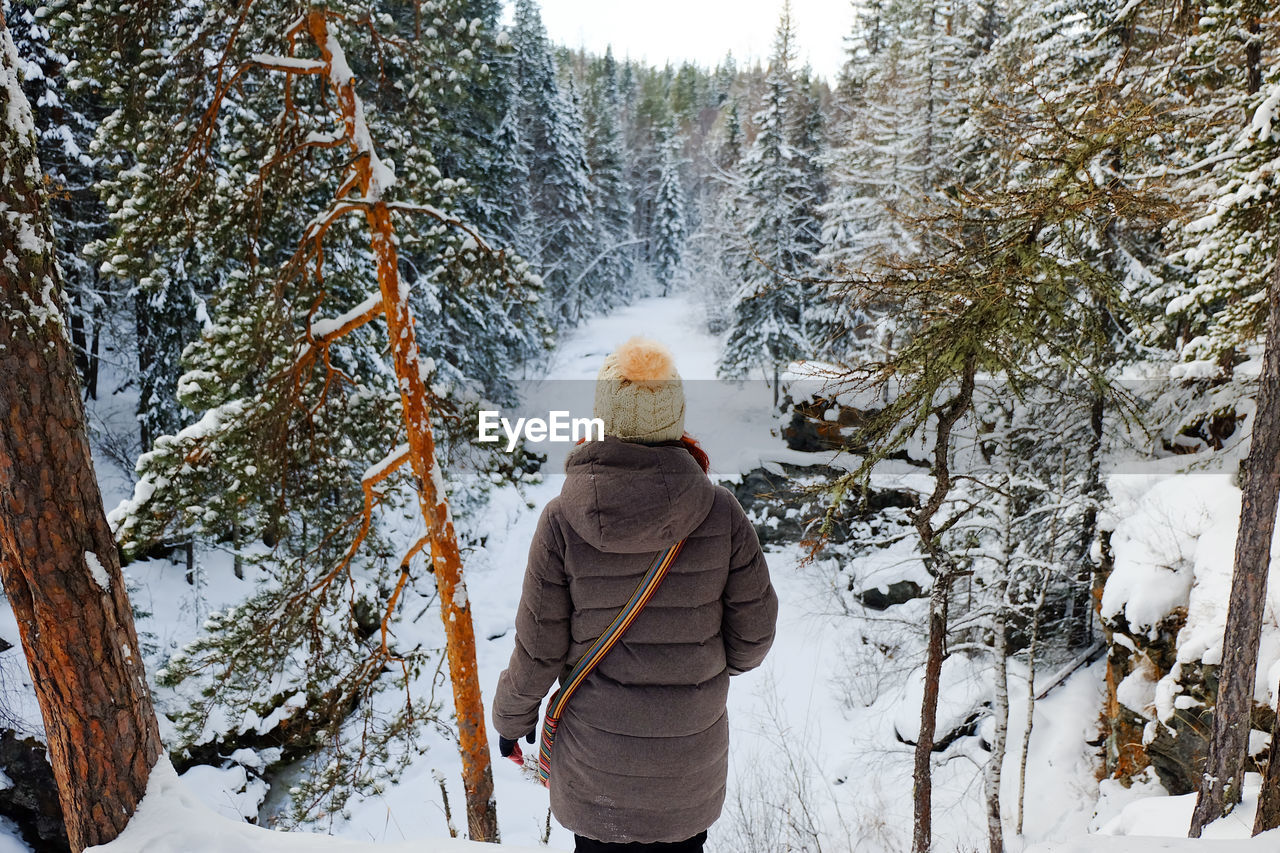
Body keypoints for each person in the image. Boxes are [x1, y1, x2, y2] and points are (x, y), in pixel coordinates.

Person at [492, 336, 779, 853]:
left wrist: (512, 719)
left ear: (605, 416)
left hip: (597, 770)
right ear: (674, 416)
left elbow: (538, 650)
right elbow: (755, 636)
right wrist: (702, 672)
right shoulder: (722, 514)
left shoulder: (561, 520)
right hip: (688, 765)